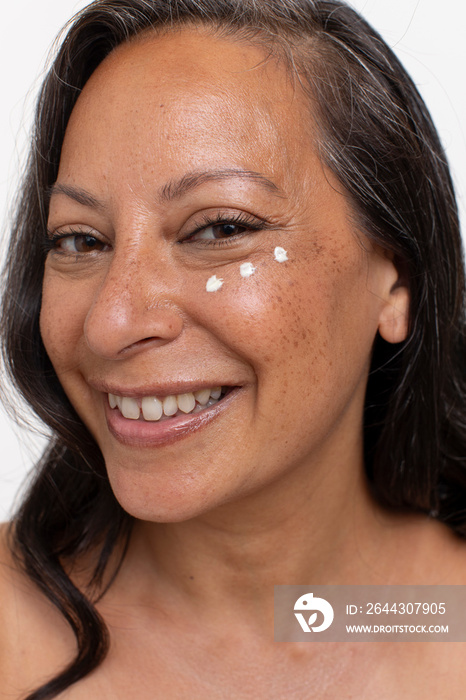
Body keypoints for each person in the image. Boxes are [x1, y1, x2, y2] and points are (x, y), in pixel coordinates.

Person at [1, 0, 466, 697]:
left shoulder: (440, 616)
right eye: (80, 241)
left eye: (218, 229)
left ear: (394, 277)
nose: (111, 321)